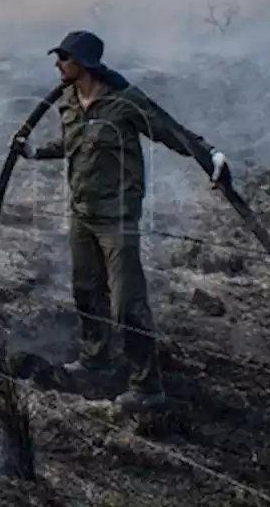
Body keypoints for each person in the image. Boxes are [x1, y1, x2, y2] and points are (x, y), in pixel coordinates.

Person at [14, 30, 230, 412]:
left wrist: (209, 155)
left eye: (63, 58)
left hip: (117, 218)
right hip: (81, 212)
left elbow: (168, 129)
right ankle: (95, 359)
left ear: (83, 63)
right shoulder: (68, 99)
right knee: (85, 289)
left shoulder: (124, 102)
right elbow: (72, 143)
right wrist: (35, 152)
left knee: (127, 304)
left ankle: (147, 387)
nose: (57, 64)